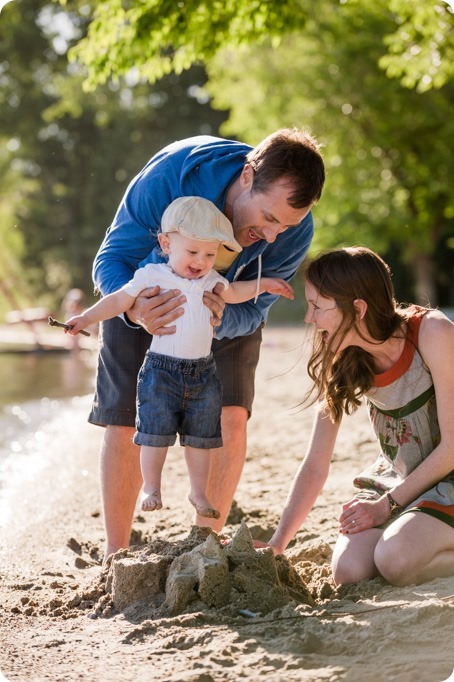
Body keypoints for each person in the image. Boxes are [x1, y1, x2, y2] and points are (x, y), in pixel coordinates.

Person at [89, 128, 325, 560]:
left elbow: (254, 311)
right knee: (126, 421)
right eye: (269, 219)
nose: (274, 236)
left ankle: (205, 551)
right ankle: (115, 554)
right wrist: (134, 307)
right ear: (249, 176)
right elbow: (112, 256)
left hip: (226, 309)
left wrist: (218, 318)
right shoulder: (174, 173)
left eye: (286, 225)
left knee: (230, 418)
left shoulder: (293, 230)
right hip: (142, 292)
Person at [66, 196, 294, 520]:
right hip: (161, 370)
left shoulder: (212, 280)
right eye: (192, 252)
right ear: (165, 243)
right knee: (153, 433)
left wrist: (265, 284)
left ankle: (198, 491)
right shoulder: (153, 275)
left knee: (202, 438)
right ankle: (152, 487)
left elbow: (235, 293)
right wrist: (86, 318)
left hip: (203, 372)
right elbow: (117, 300)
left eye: (210, 254)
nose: (201, 260)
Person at [261, 246, 454, 587]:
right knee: (349, 572)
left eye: (318, 307)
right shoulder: (341, 356)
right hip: (401, 476)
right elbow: (315, 463)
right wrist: (277, 544)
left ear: (358, 309)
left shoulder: (432, 332)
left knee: (394, 561)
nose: (309, 318)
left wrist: (387, 507)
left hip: (448, 474)